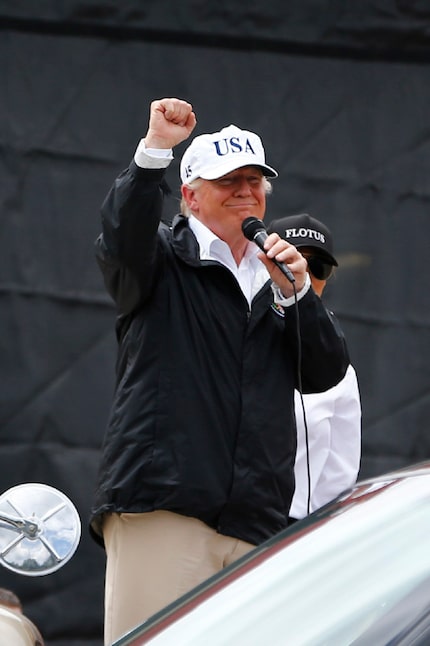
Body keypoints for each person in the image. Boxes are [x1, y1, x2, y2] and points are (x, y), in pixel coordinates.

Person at [90, 97, 350, 644]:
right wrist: (155, 150)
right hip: (165, 510)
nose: (245, 191)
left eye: (254, 180)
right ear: (190, 195)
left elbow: (324, 375)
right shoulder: (161, 257)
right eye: (227, 179)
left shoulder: (278, 278)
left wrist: (300, 296)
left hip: (256, 528)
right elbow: (121, 237)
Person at [268, 213, 362, 521]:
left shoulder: (334, 356)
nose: (302, 275)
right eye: (291, 261)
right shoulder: (231, 326)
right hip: (216, 520)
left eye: (316, 268)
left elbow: (340, 470)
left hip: (292, 529)